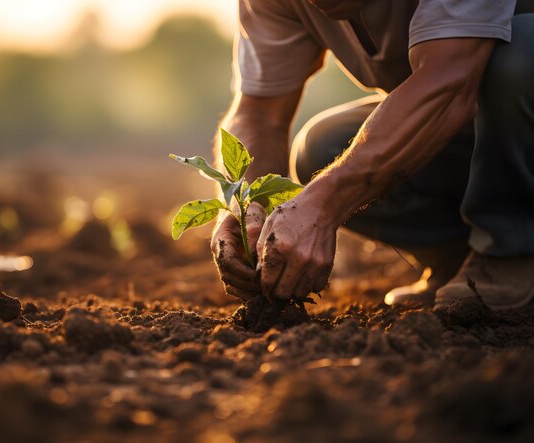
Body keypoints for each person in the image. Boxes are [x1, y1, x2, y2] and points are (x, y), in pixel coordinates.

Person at [211, 0, 534, 310]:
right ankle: (459, 255)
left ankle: (511, 249)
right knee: (325, 148)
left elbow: (448, 84)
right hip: (484, 125)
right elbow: (260, 112)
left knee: (518, 57)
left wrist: (324, 203)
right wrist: (247, 202)